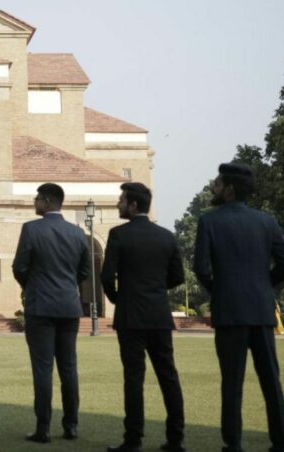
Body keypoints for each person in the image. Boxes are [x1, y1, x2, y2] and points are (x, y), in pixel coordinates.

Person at [194, 162, 284, 452]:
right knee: (271, 382)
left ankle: (233, 444)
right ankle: (281, 443)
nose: (214, 187)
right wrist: (263, 285)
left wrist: (221, 290)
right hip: (261, 309)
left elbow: (201, 268)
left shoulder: (209, 221)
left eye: (218, 183)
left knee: (232, 382)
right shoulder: (267, 221)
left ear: (229, 190)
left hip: (229, 312)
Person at [101, 182, 185, 452]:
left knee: (134, 378)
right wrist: (156, 290)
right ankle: (175, 439)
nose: (118, 204)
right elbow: (177, 277)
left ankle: (133, 439)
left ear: (133, 205)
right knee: (168, 376)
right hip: (159, 314)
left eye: (121, 200)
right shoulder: (167, 236)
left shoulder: (118, 235)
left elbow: (105, 276)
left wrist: (117, 298)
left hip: (130, 316)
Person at [12, 182, 90, 444]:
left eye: (37, 199)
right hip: (69, 307)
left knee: (43, 369)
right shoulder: (78, 233)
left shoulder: (31, 229)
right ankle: (71, 426)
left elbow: (19, 267)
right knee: (69, 367)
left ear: (46, 201)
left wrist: (30, 286)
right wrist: (68, 287)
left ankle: (43, 428)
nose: (35, 202)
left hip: (40, 307)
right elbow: (84, 272)